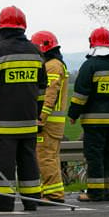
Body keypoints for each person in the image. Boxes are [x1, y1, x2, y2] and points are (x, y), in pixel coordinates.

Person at [0, 5, 47, 212]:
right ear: (23, 26)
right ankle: (32, 201)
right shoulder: (35, 52)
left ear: (0, 26)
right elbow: (42, 88)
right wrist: (36, 112)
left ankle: (3, 203)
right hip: (29, 120)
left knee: (4, 164)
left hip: (3, 124)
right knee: (28, 161)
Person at [67, 27, 109, 202]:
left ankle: (95, 192)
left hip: (92, 121)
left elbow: (81, 94)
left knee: (94, 155)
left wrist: (73, 114)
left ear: (91, 42)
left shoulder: (90, 65)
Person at [30, 30, 68, 204]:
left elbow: (49, 95)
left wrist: (41, 118)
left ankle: (52, 195)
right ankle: (52, 192)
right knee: (50, 157)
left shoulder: (51, 66)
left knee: (45, 157)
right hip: (54, 122)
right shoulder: (56, 64)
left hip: (49, 122)